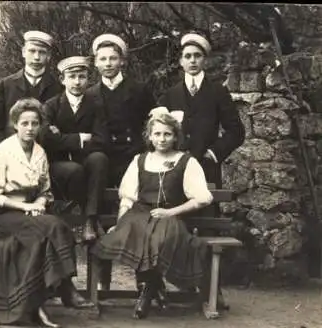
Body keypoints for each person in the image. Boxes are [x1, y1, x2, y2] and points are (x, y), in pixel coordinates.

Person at [91, 107, 214, 319]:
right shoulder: (140, 160)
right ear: (149, 136)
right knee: (136, 235)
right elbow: (128, 198)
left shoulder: (186, 161)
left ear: (176, 136)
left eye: (167, 134)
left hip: (169, 216)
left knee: (159, 239)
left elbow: (202, 198)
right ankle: (153, 286)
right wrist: (120, 223)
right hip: (139, 215)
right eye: (157, 134)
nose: (162, 139)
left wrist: (171, 212)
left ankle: (146, 292)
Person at [0, 98, 92, 327]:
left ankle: (36, 303)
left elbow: (45, 190)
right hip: (5, 215)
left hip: (31, 214)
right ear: (15, 124)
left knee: (44, 237)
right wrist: (26, 207)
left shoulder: (40, 152)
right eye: (25, 123)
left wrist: (39, 203)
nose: (30, 128)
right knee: (55, 226)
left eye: (35, 123)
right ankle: (65, 288)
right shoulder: (2, 152)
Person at [158, 32, 245, 191]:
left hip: (207, 169)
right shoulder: (170, 95)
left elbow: (236, 131)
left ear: (204, 60)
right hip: (175, 168)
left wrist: (213, 153)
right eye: (188, 56)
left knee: (207, 213)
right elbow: (159, 130)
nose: (192, 60)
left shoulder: (218, 91)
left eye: (197, 56)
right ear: (181, 61)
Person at [41, 56, 109, 242]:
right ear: (63, 79)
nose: (77, 82)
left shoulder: (96, 105)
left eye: (82, 76)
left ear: (88, 79)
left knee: (99, 159)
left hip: (86, 161)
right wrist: (79, 138)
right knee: (73, 169)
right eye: (72, 76)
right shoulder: (51, 105)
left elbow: (101, 140)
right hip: (58, 164)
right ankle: (75, 215)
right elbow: (46, 139)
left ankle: (90, 219)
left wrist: (61, 137)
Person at [88, 33, 156, 188]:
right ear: (96, 63)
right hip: (105, 158)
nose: (108, 64)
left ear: (122, 61)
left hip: (133, 155)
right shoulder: (90, 94)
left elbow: (153, 124)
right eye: (103, 59)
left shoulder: (139, 90)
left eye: (113, 58)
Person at [0, 30, 63, 146]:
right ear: (23, 52)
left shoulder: (58, 87)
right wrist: (5, 150)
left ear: (48, 56)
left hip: (47, 151)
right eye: (32, 51)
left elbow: (60, 125)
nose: (37, 57)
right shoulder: (6, 85)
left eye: (42, 52)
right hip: (12, 150)